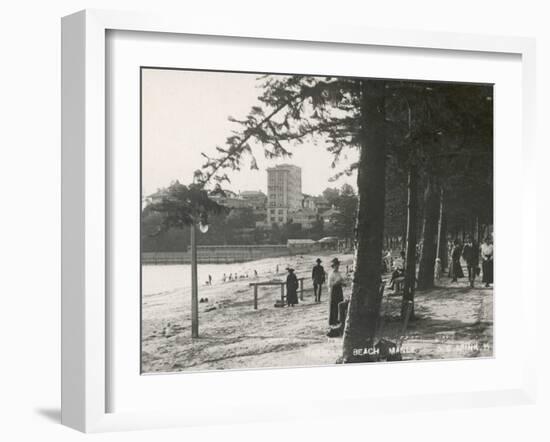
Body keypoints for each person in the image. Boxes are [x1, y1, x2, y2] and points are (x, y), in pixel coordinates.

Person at [328, 258, 346, 326]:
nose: (338, 266)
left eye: (338, 265)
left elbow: (341, 280)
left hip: (339, 290)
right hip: (334, 290)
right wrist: (336, 282)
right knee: (334, 305)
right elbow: (329, 284)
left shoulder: (338, 273)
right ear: (333, 266)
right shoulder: (331, 274)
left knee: (339, 303)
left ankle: (338, 319)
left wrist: (343, 283)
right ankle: (333, 321)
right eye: (336, 265)